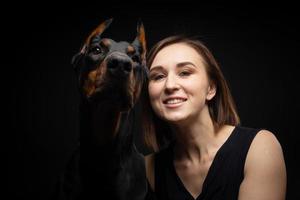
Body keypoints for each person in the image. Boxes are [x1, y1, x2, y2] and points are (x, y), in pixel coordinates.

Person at [142, 35, 286, 200]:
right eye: (158, 76)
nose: (169, 85)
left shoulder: (259, 147)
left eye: (185, 73)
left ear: (211, 88)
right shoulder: (148, 169)